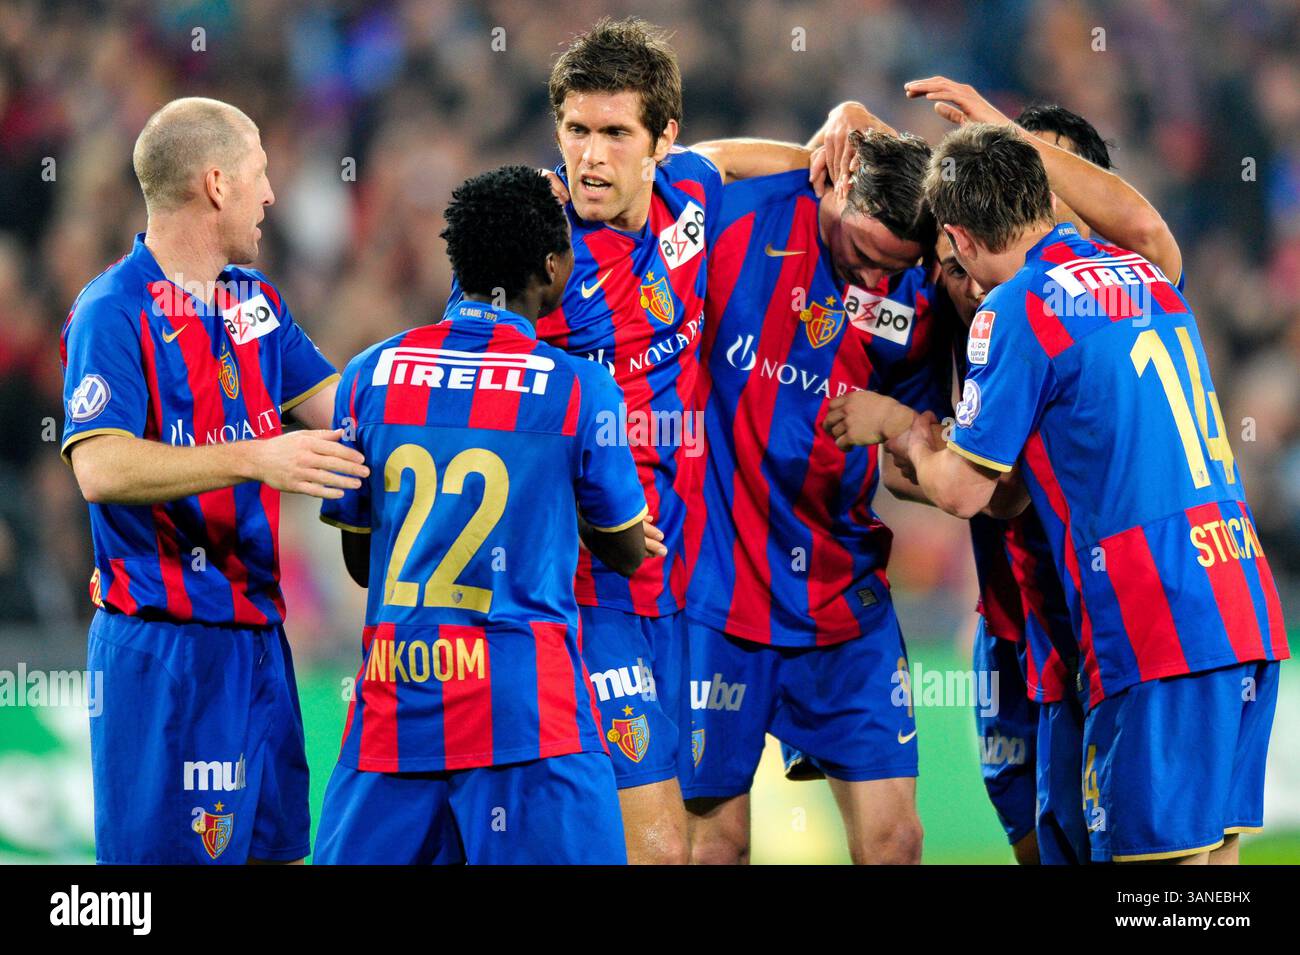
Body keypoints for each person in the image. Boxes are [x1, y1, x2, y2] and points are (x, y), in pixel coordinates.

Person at [448, 17, 809, 863]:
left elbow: (726, 160)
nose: (592, 157)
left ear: (661, 141)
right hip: (583, 585)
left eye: (616, 134)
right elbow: (460, 388)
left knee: (704, 835)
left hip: (683, 582)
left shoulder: (688, 188)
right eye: (576, 130)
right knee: (651, 849)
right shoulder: (537, 252)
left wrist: (824, 145)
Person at [897, 123, 1288, 863]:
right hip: (1241, 598)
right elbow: (1144, 221)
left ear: (959, 236)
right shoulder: (1141, 270)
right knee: (1213, 864)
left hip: (1153, 615)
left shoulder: (1016, 309)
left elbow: (960, 490)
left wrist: (908, 430)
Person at [313, 165, 658, 865]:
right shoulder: (578, 388)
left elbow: (361, 559)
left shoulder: (368, 375)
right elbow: (628, 551)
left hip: (396, 707)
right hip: (528, 715)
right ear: (555, 266)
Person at [60, 97, 362, 864]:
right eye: (260, 174)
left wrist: (465, 365)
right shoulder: (112, 311)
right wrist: (255, 455)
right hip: (163, 653)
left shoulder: (253, 303)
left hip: (259, 643)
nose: (271, 195)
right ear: (218, 183)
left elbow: (348, 406)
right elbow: (99, 465)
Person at [683, 125, 944, 865]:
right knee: (716, 843)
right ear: (834, 185)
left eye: (889, 269)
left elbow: (907, 469)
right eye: (861, 254)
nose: (868, 283)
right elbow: (669, 167)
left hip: (842, 592)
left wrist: (906, 433)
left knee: (897, 841)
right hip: (721, 591)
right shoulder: (738, 219)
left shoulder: (918, 297)